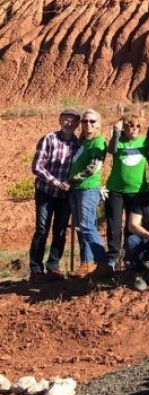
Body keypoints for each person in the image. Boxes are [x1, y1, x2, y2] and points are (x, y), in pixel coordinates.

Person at [29, 109, 79, 282]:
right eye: (66, 119)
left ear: (77, 124)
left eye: (73, 121)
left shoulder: (78, 143)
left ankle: (53, 267)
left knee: (60, 231)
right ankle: (36, 269)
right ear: (60, 120)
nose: (69, 123)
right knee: (42, 230)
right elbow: (37, 167)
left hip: (65, 196)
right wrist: (57, 183)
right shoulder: (49, 138)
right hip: (46, 192)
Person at [105, 114, 149, 271]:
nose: (134, 129)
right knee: (114, 224)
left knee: (132, 226)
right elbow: (112, 150)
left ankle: (130, 256)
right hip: (116, 190)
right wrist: (116, 133)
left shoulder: (144, 142)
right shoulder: (119, 141)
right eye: (130, 125)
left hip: (137, 190)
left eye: (137, 126)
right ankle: (112, 258)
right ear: (124, 128)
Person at [69, 109, 108, 277]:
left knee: (87, 226)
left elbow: (94, 168)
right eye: (85, 121)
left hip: (88, 188)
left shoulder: (98, 142)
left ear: (98, 123)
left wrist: (72, 179)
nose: (88, 124)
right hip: (77, 189)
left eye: (92, 121)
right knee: (80, 227)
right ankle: (86, 263)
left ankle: (103, 263)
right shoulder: (83, 141)